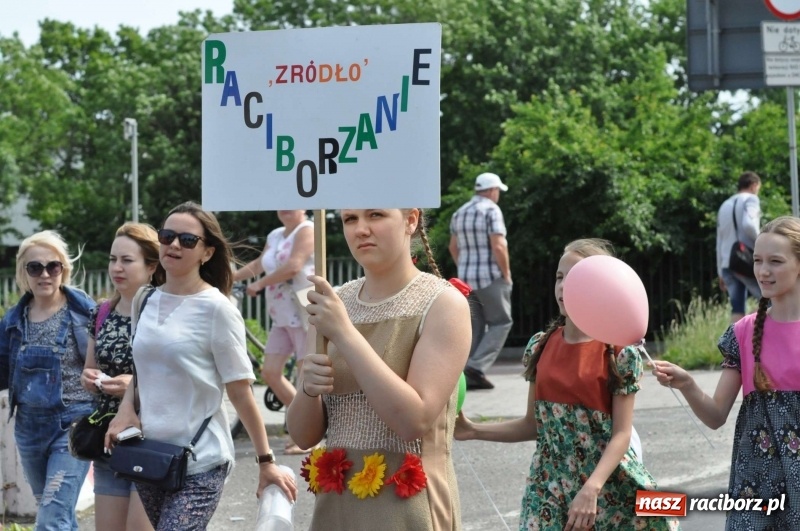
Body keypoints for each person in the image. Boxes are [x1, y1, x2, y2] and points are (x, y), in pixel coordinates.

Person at [455, 239, 680, 531]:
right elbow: (533, 425)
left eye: (574, 279)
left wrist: (592, 488)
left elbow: (621, 435)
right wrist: (471, 429)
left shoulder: (619, 353)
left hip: (605, 487)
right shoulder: (540, 346)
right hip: (548, 485)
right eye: (560, 278)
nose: (563, 286)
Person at [105, 201, 296, 530]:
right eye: (167, 236)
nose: (174, 245)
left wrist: (266, 462)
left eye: (187, 240)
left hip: (201, 459)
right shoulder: (145, 299)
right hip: (151, 453)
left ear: (207, 252)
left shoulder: (217, 309)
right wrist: (126, 410)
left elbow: (240, 392)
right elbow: (142, 368)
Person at [287, 208, 471, 530]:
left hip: (408, 506)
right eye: (350, 219)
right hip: (338, 508)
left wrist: (344, 332)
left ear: (410, 220)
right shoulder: (331, 303)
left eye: (375, 215)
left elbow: (413, 420)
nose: (361, 229)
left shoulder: (443, 303)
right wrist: (307, 388)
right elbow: (303, 435)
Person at [652, 216, 800, 530]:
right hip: (756, 486)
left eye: (775, 261)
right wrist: (688, 384)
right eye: (757, 260)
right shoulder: (743, 332)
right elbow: (716, 415)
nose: (763, 271)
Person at [0, 230, 96, 531]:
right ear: (23, 273)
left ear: (63, 270)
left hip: (73, 426)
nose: (45, 274)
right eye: (35, 267)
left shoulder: (86, 314)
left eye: (52, 266)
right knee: (60, 516)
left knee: (51, 519)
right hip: (28, 430)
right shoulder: (12, 322)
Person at [79, 223, 163, 531]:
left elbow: (181, 379)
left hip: (154, 439)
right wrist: (89, 379)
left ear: (151, 265)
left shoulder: (165, 310)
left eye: (127, 260)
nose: (117, 267)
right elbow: (89, 367)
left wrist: (133, 388)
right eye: (114, 259)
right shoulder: (101, 312)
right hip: (108, 439)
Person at [234, 209, 314, 455]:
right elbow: (259, 264)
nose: (286, 208)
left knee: (305, 375)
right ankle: (304, 421)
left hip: (303, 310)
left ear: (304, 208)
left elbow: (294, 266)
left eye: (293, 203)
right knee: (270, 372)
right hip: (280, 314)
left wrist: (259, 284)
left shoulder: (307, 229)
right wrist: (229, 278)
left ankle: (310, 435)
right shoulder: (276, 234)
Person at [449, 172, 513, 390]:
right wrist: (506, 273)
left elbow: (453, 247)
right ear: (493, 190)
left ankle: (462, 372)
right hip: (490, 277)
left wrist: (464, 268)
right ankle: (476, 368)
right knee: (501, 322)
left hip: (466, 280)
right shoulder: (491, 210)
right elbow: (499, 245)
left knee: (473, 327)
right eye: (498, 192)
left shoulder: (460, 212)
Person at [717, 171, 762, 323]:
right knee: (770, 301)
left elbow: (720, 239)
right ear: (754, 185)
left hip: (727, 263)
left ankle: (735, 345)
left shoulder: (724, 205)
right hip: (746, 260)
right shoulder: (751, 199)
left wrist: (720, 271)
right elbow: (749, 225)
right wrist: (763, 243)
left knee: (737, 308)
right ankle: (750, 328)